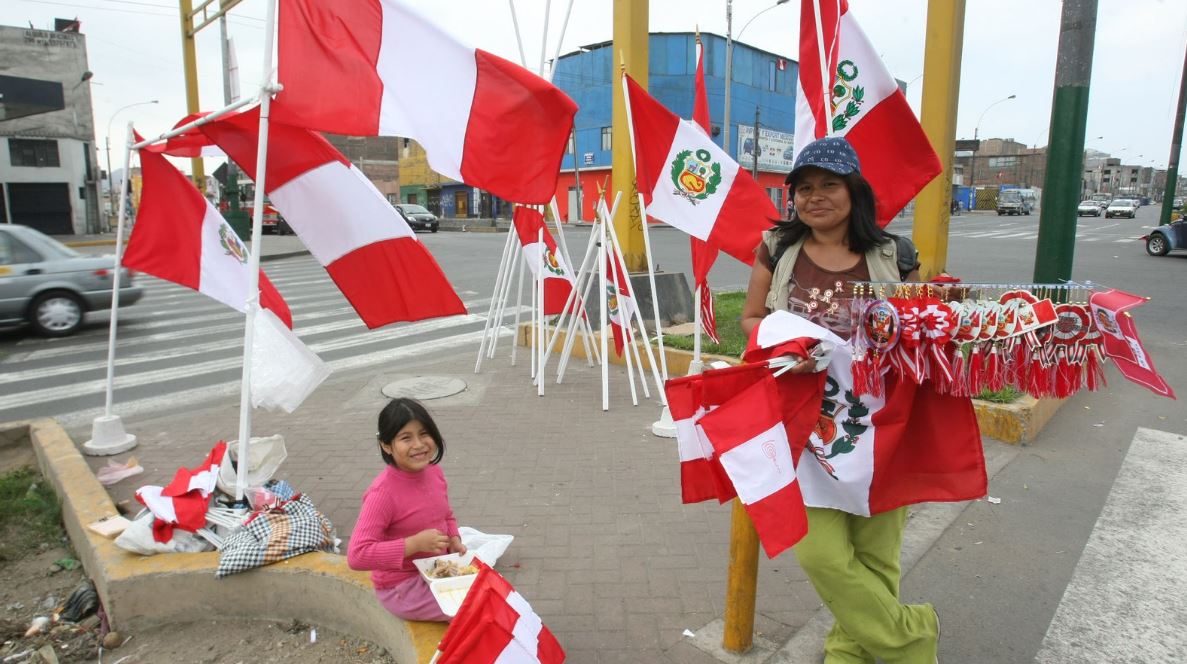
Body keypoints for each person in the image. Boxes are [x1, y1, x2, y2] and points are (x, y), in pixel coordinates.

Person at [740, 136, 938, 664]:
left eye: (829, 184)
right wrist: (787, 345)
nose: (815, 196)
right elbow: (751, 318)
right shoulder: (777, 247)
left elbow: (919, 328)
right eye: (804, 188)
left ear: (855, 191)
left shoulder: (895, 254)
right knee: (820, 552)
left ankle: (849, 651)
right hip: (804, 423)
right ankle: (911, 640)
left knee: (876, 552)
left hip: (881, 421)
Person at [347, 398, 466, 622]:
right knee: (476, 611)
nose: (419, 444)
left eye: (424, 434)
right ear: (386, 445)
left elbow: (446, 515)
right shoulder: (382, 494)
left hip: (436, 570)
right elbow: (357, 556)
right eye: (405, 438)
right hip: (402, 587)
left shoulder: (435, 472)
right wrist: (414, 544)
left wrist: (454, 538)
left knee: (494, 591)